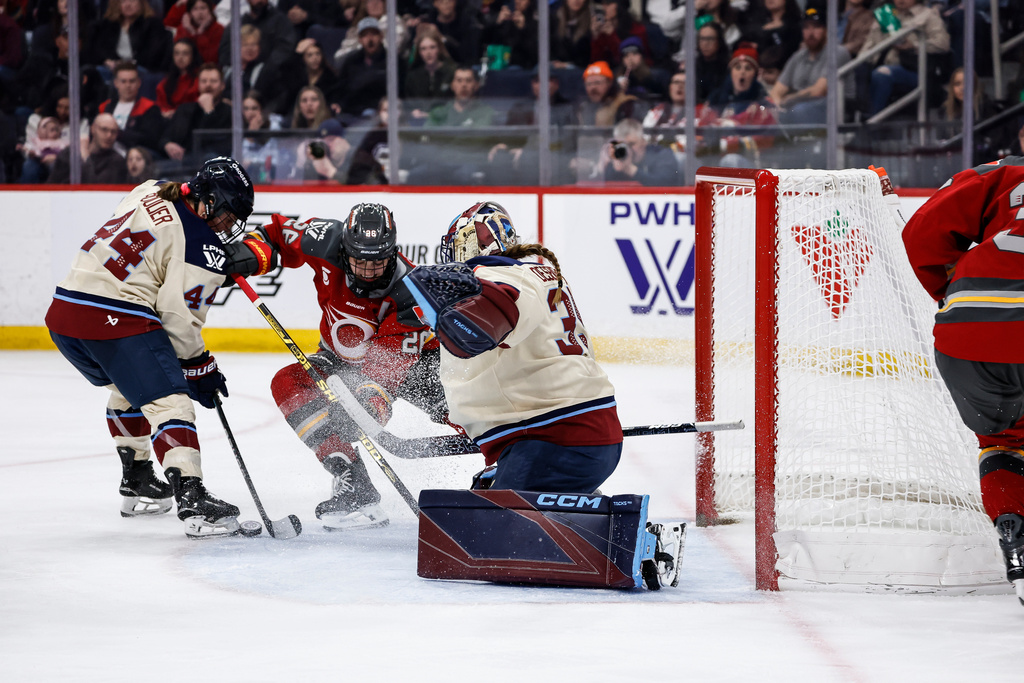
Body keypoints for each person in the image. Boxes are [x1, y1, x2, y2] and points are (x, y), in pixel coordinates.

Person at [391, 201, 684, 589]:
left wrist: (465, 320)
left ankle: (639, 542)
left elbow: (491, 313)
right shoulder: (536, 273)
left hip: (555, 438)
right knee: (485, 498)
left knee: (493, 537)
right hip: (565, 434)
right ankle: (581, 507)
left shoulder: (500, 274)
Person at [44, 156, 264, 538]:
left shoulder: (149, 188)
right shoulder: (201, 245)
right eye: (228, 214)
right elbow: (180, 322)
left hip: (64, 313)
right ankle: (193, 501)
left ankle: (139, 480)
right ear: (209, 200)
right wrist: (200, 367)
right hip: (113, 315)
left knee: (130, 389)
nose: (229, 225)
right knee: (169, 399)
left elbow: (153, 254)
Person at [249, 203, 448, 530]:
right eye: (360, 261)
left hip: (419, 366)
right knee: (288, 382)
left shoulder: (411, 293)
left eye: (378, 262)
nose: (369, 271)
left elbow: (382, 375)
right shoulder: (324, 240)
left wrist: (365, 413)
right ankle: (351, 478)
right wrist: (248, 254)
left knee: (465, 413)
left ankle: (509, 463)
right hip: (338, 358)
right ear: (344, 252)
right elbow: (275, 235)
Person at [901, 157, 1024, 603]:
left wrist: (956, 293)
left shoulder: (1002, 172)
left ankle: (1015, 534)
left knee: (1004, 441)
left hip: (969, 336)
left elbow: (920, 234)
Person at [858, 0, 949, 116]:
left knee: (882, 74)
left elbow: (943, 44)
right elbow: (867, 48)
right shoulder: (885, 14)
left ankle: (872, 119)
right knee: (855, 70)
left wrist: (914, 45)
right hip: (880, 64)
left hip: (914, 69)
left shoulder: (928, 15)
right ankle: (853, 115)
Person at [769, 6, 851, 124]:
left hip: (831, 107)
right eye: (806, 27)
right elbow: (777, 90)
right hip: (798, 106)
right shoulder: (798, 56)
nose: (810, 33)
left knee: (797, 111)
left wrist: (788, 100)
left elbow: (819, 91)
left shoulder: (837, 52)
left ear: (827, 30)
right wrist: (776, 105)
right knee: (764, 110)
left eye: (816, 27)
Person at [160, 62, 232, 165]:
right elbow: (165, 136)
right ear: (198, 85)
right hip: (182, 162)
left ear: (222, 86)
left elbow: (217, 144)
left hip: (212, 164)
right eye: (204, 81)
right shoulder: (185, 109)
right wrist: (167, 144)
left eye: (213, 81)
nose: (208, 85)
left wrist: (209, 111)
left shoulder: (228, 112)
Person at [86, 0, 172, 75]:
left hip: (141, 68)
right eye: (123, 1)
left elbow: (154, 54)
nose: (128, 5)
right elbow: (99, 50)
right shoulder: (107, 25)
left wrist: (131, 64)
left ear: (141, 3)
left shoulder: (152, 25)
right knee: (93, 72)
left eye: (132, 0)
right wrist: (107, 61)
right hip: (112, 68)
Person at [97, 60, 165, 155]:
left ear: (139, 83)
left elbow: (151, 140)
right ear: (116, 83)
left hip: (134, 157)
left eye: (132, 81)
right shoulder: (105, 107)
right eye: (123, 81)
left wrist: (118, 134)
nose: (128, 86)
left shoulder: (149, 108)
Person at [48, 112, 127, 183]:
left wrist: (85, 157)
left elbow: (95, 190)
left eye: (113, 132)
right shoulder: (69, 153)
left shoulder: (117, 161)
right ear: (93, 129)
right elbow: (51, 185)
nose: (109, 135)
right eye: (104, 129)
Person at [597, 117, 680, 185]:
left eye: (631, 144)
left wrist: (629, 169)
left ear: (643, 141)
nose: (627, 149)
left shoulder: (661, 154)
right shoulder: (616, 158)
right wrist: (602, 169)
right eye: (622, 145)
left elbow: (665, 185)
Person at [335, 16, 387, 121]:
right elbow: (341, 88)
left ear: (381, 36)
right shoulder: (351, 61)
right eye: (365, 35)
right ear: (359, 39)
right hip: (353, 112)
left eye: (373, 34)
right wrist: (337, 104)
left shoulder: (392, 60)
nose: (370, 39)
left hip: (382, 113)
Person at [424, 65, 496, 127]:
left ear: (476, 85)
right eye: (459, 80)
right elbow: (426, 138)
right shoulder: (438, 113)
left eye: (468, 80)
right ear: (452, 85)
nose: (463, 85)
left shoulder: (486, 113)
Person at [575, 59, 638, 126]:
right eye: (589, 84)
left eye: (597, 83)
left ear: (609, 83)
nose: (593, 88)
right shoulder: (582, 107)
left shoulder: (626, 103)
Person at [163, 0, 223, 65]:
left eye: (203, 8)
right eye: (195, 9)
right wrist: (191, 30)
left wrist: (200, 31)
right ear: (189, 13)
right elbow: (181, 55)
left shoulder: (218, 29)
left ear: (210, 10)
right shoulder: (183, 28)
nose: (200, 12)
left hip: (209, 69)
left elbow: (210, 58)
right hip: (187, 69)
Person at [155, 38, 201, 118]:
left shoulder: (200, 80)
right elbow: (161, 106)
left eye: (185, 53)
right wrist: (166, 113)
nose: (180, 57)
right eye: (176, 53)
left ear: (193, 56)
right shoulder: (164, 84)